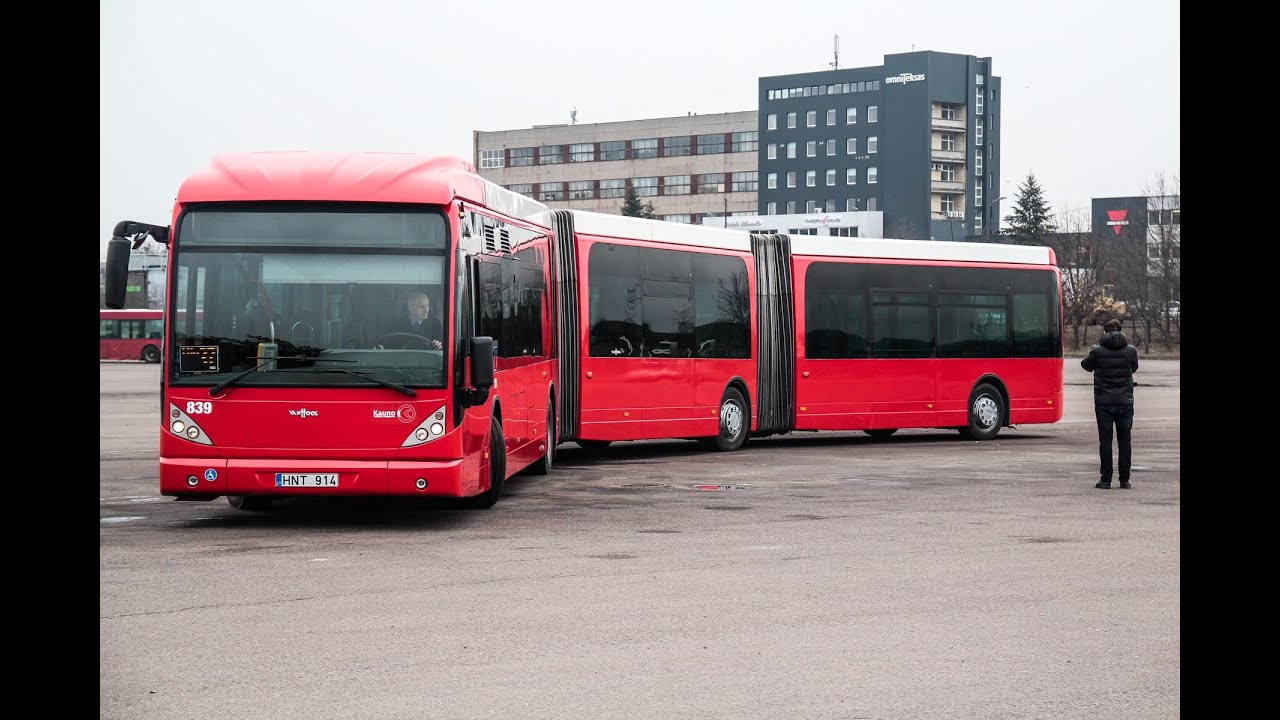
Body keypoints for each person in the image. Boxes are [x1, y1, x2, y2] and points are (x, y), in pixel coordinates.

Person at [1080, 318, 1139, 489]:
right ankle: (1124, 480)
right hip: (1125, 402)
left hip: (1104, 403)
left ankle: (1106, 479)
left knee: (1105, 441)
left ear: (1105, 332)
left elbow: (1086, 365)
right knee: (1125, 441)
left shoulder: (1098, 351)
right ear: (1120, 331)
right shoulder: (1131, 351)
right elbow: (1134, 368)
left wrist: (1093, 351)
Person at [375, 288, 442, 349]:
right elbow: (390, 344)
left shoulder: (435, 324)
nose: (426, 310)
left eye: (427, 306)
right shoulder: (398, 324)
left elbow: (442, 347)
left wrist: (438, 345)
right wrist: (382, 347)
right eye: (421, 307)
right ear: (410, 308)